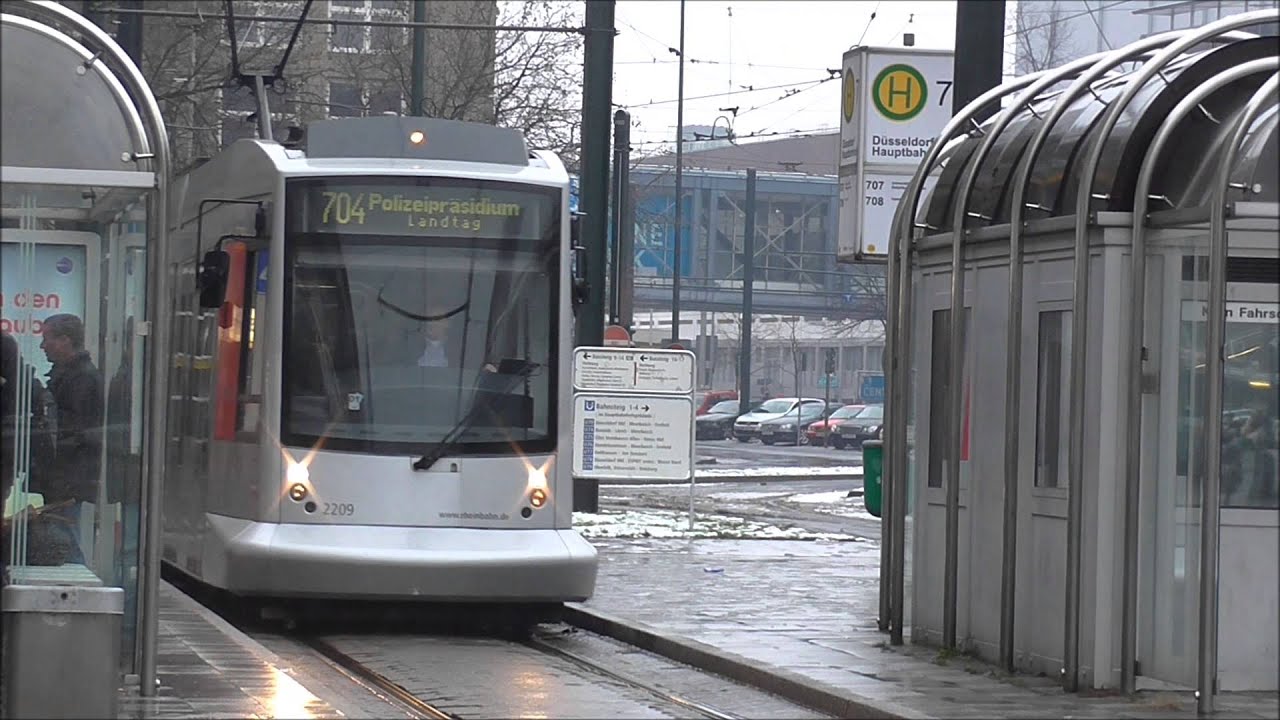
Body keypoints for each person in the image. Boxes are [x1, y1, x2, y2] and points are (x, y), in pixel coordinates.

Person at [34, 313, 103, 565]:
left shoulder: (81, 378)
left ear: (65, 340)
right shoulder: (72, 376)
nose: (42, 347)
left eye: (47, 339)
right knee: (63, 539)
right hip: (63, 478)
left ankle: (79, 595)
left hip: (67, 479)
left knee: (66, 544)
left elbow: (73, 432)